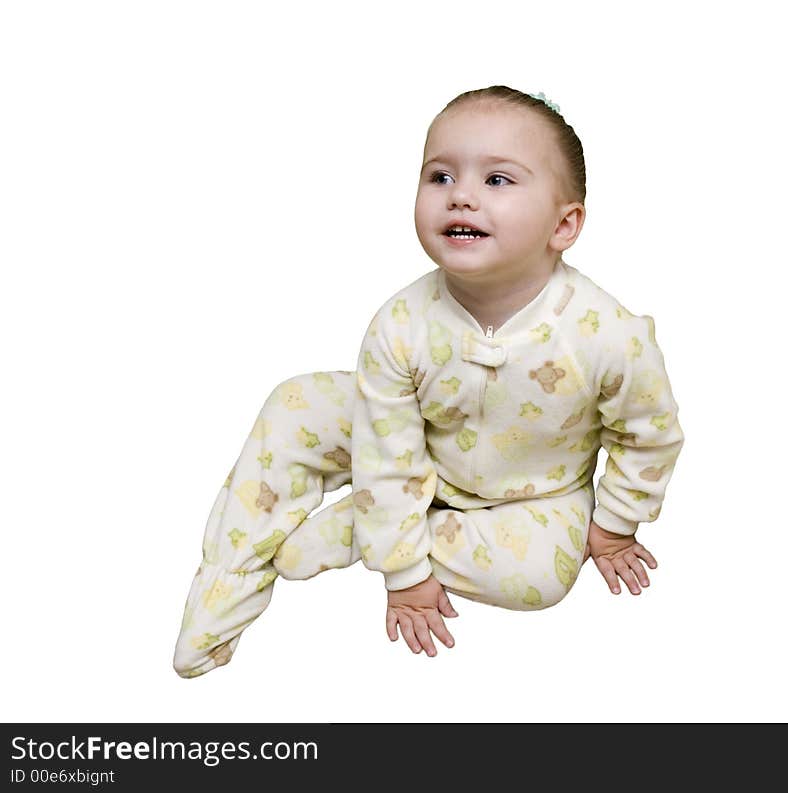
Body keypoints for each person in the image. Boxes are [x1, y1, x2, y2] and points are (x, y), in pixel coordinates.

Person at [172, 85, 685, 678]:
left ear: (564, 225)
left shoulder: (608, 335)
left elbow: (648, 434)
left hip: (534, 490)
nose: (461, 196)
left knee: (542, 580)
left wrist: (616, 524)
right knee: (294, 403)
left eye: (497, 180)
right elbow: (388, 452)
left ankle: (365, 529)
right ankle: (230, 578)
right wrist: (405, 575)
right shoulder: (400, 323)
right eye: (440, 177)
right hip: (412, 444)